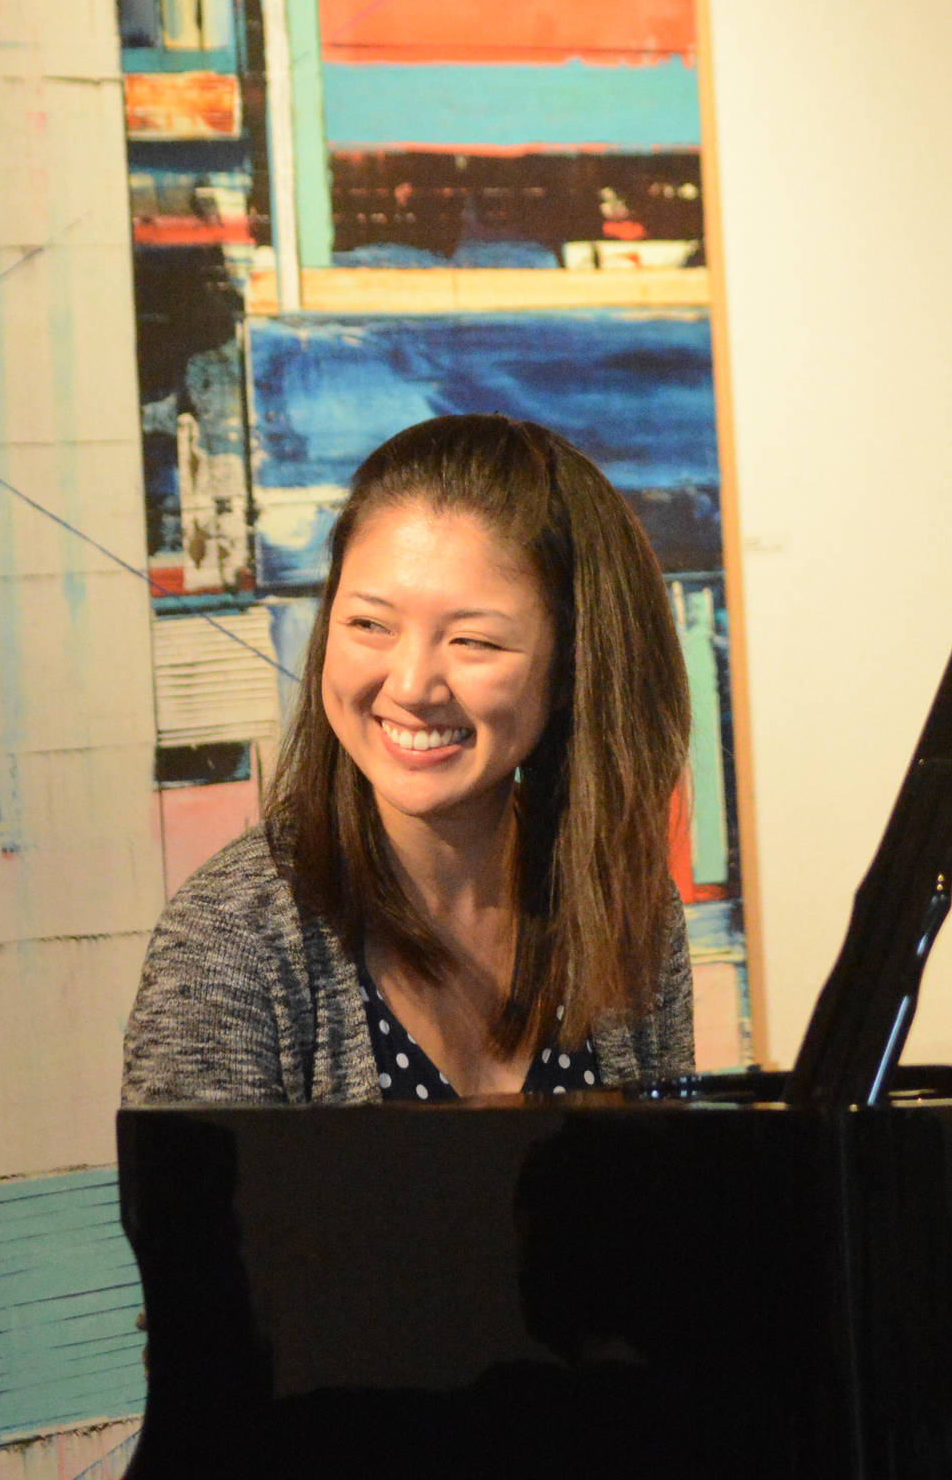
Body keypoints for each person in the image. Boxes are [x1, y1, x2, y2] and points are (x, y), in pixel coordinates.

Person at [122, 412, 694, 1104]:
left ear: (574, 664)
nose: (411, 686)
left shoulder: (624, 903)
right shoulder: (233, 941)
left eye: (474, 641)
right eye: (369, 624)